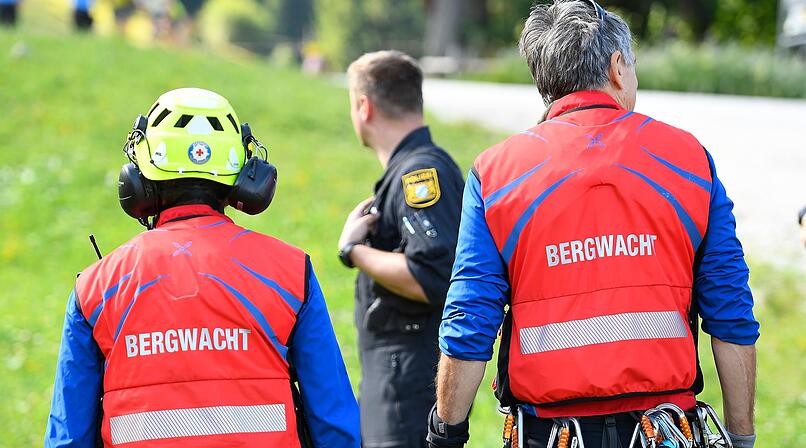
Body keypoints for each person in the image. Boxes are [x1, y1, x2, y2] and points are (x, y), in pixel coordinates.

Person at [426, 2, 759, 448]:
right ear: (617, 67)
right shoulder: (689, 160)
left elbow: (471, 316)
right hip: (664, 431)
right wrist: (741, 437)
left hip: (549, 434)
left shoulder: (497, 173)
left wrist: (445, 433)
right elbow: (730, 312)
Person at [45, 88, 360, 447]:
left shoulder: (97, 288)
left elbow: (67, 437)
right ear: (246, 180)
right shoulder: (290, 273)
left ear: (140, 181)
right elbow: (334, 422)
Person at [339, 50, 464, 447]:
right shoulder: (414, 167)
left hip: (406, 379)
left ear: (364, 106)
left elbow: (433, 274)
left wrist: (353, 250)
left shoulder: (419, 173)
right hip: (399, 376)